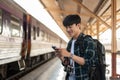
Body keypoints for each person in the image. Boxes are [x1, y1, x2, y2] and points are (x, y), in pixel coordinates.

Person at [56, 14, 96, 80]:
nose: (68, 30)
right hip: (70, 77)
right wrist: (61, 57)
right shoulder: (70, 42)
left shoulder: (87, 40)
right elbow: (68, 63)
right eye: (66, 27)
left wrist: (69, 54)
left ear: (78, 25)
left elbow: (87, 62)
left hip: (83, 77)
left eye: (70, 27)